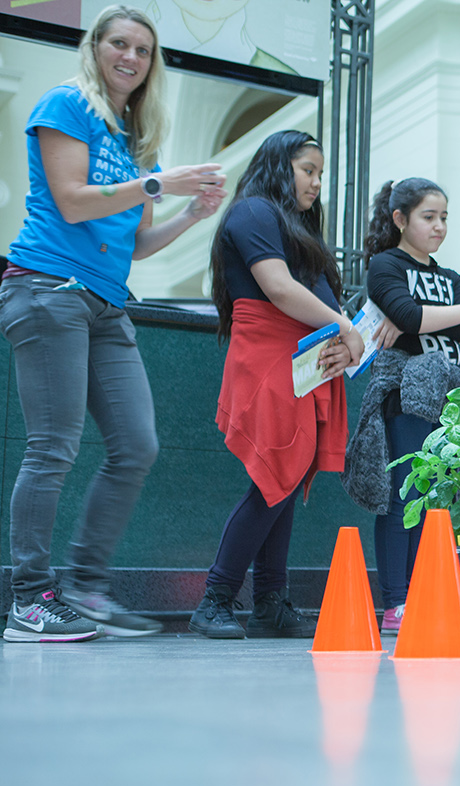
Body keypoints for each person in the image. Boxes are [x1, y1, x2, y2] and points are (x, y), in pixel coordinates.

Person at [0, 5, 226, 643]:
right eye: (119, 44)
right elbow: (71, 201)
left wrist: (189, 216)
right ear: (95, 47)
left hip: (104, 300)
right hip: (47, 289)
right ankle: (29, 599)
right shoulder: (66, 103)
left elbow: (134, 244)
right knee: (53, 447)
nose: (130, 57)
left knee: (138, 444)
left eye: (143, 50)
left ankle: (84, 589)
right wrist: (160, 182)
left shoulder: (128, 139)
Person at [188, 129, 364, 639]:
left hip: (307, 359)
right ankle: (216, 599)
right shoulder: (253, 212)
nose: (315, 182)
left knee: (282, 479)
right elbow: (279, 289)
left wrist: (344, 336)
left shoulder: (294, 227)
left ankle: (268, 602)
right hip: (270, 353)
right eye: (308, 170)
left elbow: (317, 301)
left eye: (321, 174)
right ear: (278, 165)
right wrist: (346, 329)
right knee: (277, 473)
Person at [343, 178, 460, 633]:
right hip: (403, 392)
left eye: (444, 217)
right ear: (401, 219)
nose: (439, 226)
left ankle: (425, 592)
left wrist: (443, 316)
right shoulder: (386, 265)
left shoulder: (451, 277)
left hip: (449, 393)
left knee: (438, 498)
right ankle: (396, 600)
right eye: (429, 217)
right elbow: (413, 318)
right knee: (403, 493)